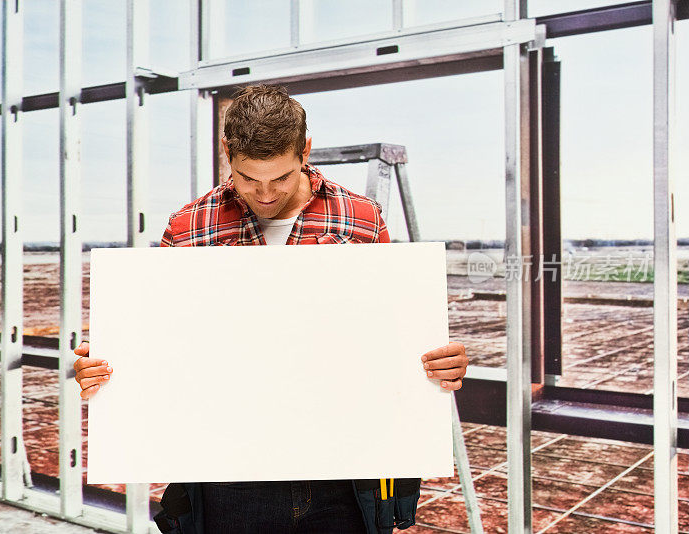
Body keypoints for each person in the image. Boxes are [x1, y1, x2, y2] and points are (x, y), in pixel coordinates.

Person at [73, 84, 469, 533]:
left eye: (280, 178)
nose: (264, 194)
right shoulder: (190, 226)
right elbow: (164, 345)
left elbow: (388, 337)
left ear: (305, 151)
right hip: (229, 481)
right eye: (248, 178)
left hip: (340, 479)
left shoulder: (360, 218)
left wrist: (439, 364)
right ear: (227, 153)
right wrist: (108, 369)